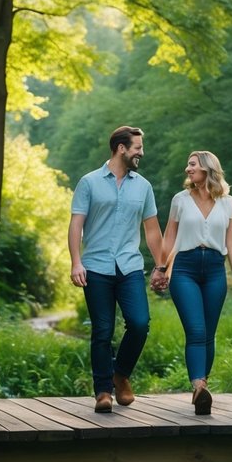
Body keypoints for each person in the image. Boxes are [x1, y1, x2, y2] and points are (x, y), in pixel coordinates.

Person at [68, 125, 164, 413]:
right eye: (137, 147)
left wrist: (161, 266)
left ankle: (120, 374)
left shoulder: (143, 186)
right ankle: (102, 392)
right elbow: (76, 224)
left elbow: (152, 231)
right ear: (121, 148)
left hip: (130, 266)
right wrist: (76, 261)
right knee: (102, 330)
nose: (141, 153)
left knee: (139, 323)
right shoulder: (89, 182)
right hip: (95, 266)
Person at [155, 150, 232, 415]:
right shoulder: (180, 200)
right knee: (196, 330)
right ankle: (198, 384)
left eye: (192, 164)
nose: (187, 169)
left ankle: (201, 388)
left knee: (208, 333)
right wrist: (161, 268)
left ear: (207, 168)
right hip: (184, 269)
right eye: (187, 165)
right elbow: (169, 238)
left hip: (216, 270)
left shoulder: (229, 203)